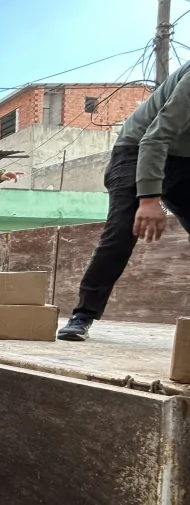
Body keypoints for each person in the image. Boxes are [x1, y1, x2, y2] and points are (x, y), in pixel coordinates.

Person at [58, 62, 190, 341]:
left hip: (184, 160)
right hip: (138, 147)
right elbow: (157, 135)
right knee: (122, 231)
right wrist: (149, 198)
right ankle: (83, 314)